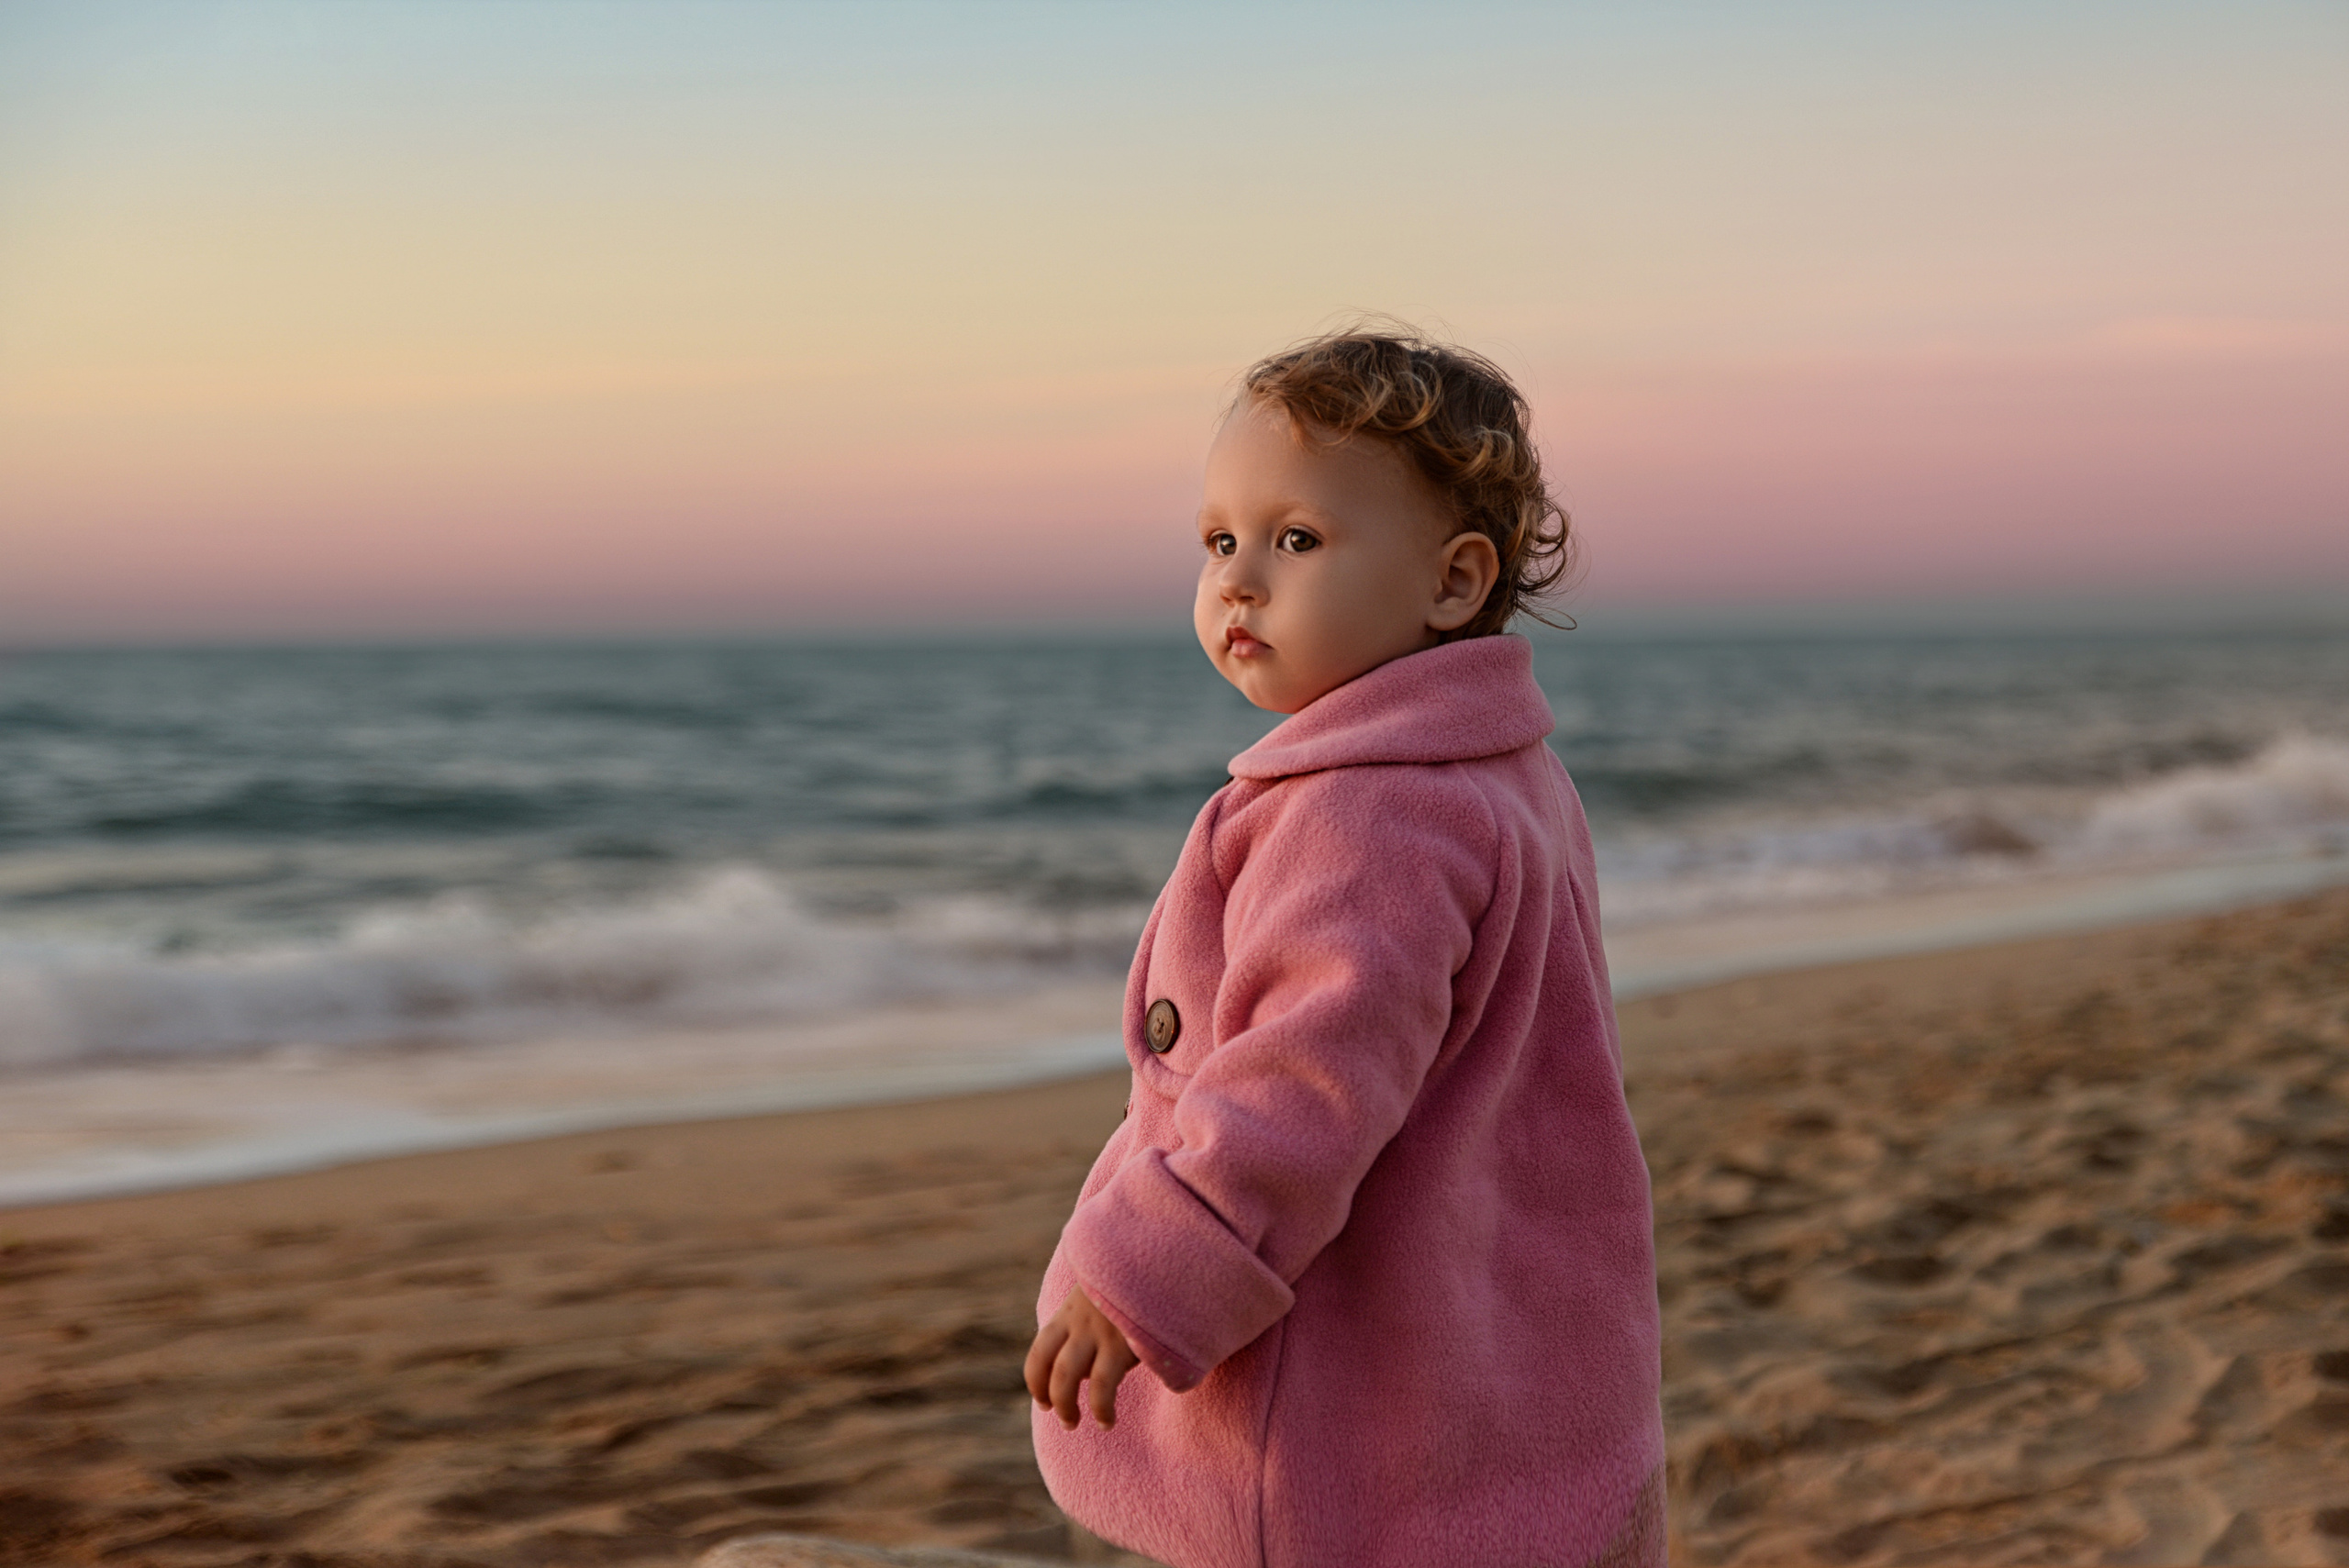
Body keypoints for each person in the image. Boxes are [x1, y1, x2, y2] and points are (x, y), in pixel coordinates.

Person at [1024, 328, 1664, 1568]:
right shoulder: (1504, 773)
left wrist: (1152, 1267)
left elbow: (1304, 1081)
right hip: (1491, 1313)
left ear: (1451, 581)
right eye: (1220, 540)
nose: (1240, 581)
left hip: (1340, 1400)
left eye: (1297, 540)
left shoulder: (1364, 810)